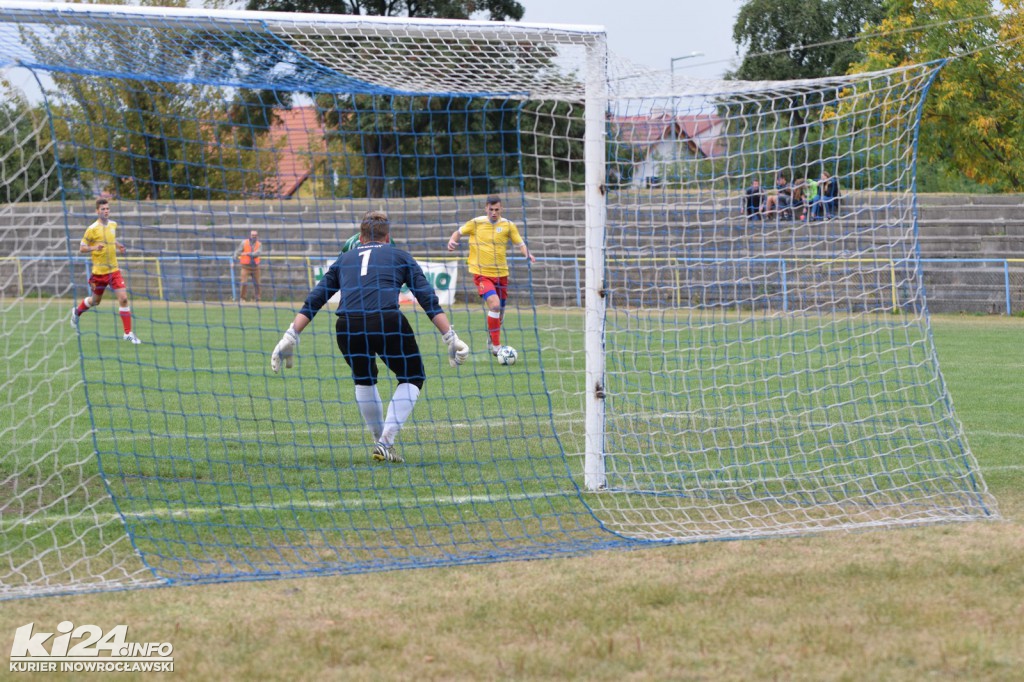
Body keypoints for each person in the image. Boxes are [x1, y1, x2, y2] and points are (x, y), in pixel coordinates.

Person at [270, 210, 469, 464]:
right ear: (388, 238)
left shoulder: (345, 259)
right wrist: (450, 337)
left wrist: (291, 335)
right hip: (386, 321)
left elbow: (316, 298)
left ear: (360, 239)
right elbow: (427, 299)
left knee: (364, 380)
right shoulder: (400, 256)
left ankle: (380, 442)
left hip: (347, 326)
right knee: (412, 377)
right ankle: (385, 442)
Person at [447, 195, 536, 357]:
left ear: (501, 209)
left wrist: (527, 254)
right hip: (481, 274)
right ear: (486, 208)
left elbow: (520, 243)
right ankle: (496, 346)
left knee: (499, 312)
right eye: (491, 209)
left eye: (497, 209)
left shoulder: (508, 226)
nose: (494, 212)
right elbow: (458, 233)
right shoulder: (476, 223)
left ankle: (491, 335)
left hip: (501, 274)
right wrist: (452, 241)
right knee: (494, 305)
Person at [69, 198, 141, 344]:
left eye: (107, 208)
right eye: (103, 209)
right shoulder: (92, 229)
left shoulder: (113, 224)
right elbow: (82, 248)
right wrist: (94, 248)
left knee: (124, 299)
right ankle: (77, 311)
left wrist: (119, 245)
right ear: (97, 211)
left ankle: (128, 333)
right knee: (95, 301)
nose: (106, 211)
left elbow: (111, 239)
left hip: (114, 271)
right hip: (98, 273)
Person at [234, 229, 262, 303]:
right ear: (250, 236)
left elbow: (258, 253)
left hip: (255, 267)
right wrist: (234, 258)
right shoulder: (244, 242)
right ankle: (242, 298)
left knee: (257, 283)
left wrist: (247, 254)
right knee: (244, 282)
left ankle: (257, 298)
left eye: (255, 236)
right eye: (253, 235)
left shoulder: (259, 244)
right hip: (245, 267)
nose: (254, 237)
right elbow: (238, 251)